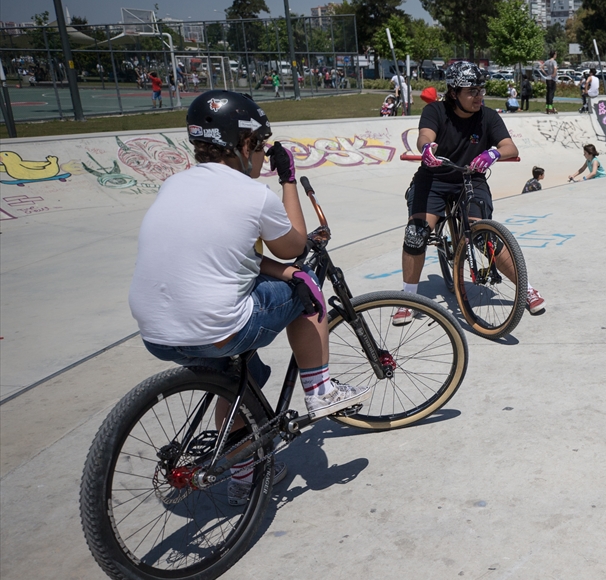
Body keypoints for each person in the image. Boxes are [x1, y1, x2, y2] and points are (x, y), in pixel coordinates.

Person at [129, 91, 370, 505]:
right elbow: (294, 247)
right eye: (258, 146)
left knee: (241, 380)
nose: (260, 156)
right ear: (243, 145)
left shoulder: (174, 184)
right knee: (307, 281)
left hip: (156, 330)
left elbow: (226, 257)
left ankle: (244, 475)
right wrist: (288, 179)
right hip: (218, 324)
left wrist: (279, 269)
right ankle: (320, 389)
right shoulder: (251, 194)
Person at [396, 61, 546, 323]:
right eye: (471, 91)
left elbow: (511, 147)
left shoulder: (488, 116)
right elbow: (424, 136)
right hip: (433, 179)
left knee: (483, 235)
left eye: (481, 90)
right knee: (416, 234)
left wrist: (494, 152)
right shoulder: (436, 111)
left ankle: (526, 288)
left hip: (470, 180)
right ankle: (408, 297)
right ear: (454, 93)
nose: (479, 96)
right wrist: (427, 149)